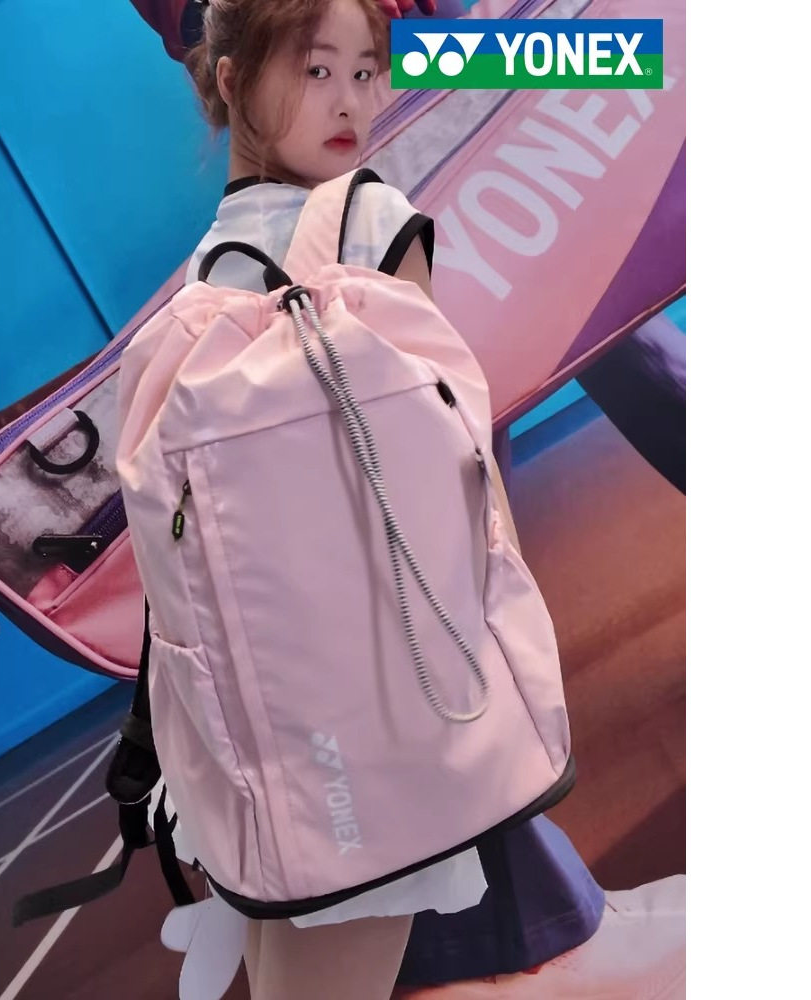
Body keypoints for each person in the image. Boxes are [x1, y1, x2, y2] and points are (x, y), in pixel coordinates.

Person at [130, 1, 685, 997]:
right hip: (388, 714)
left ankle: (512, 921)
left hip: (298, 748)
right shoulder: (366, 213)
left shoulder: (202, 290)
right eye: (320, 75)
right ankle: (522, 930)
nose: (347, 100)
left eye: (357, 76)